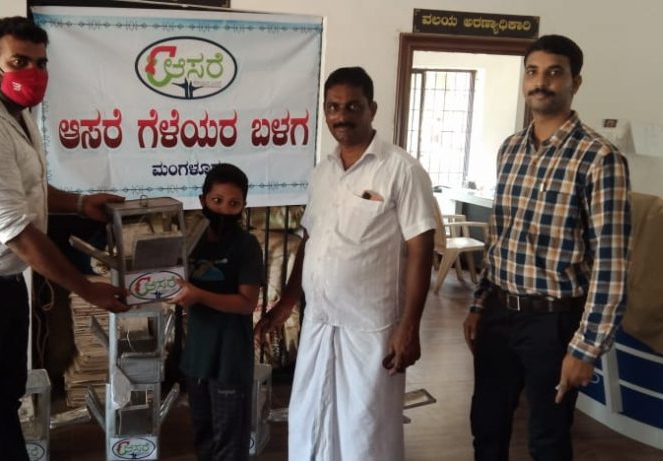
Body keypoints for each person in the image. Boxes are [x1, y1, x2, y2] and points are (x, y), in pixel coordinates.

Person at [0, 16, 128, 461]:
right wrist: (87, 288)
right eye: (19, 62)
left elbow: (26, 190)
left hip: (2, 283)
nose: (32, 72)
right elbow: (16, 231)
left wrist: (79, 203)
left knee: (3, 400)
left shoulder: (17, 115)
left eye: (40, 63)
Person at [254, 66, 440, 460]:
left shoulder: (401, 170)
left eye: (353, 106)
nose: (341, 116)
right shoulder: (322, 173)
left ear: (372, 109)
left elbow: (421, 250)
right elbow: (312, 240)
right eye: (333, 107)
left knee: (365, 430)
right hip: (320, 322)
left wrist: (409, 327)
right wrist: (287, 302)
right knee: (310, 420)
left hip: (371, 328)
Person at [462, 35, 631, 460]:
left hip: (553, 323)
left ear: (576, 82)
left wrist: (585, 349)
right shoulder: (510, 150)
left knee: (548, 439)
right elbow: (499, 236)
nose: (541, 82)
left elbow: (611, 267)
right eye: (533, 72)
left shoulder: (600, 158)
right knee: (487, 426)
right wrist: (480, 303)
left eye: (554, 73)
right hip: (499, 313)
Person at [168, 163, 265, 461]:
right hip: (197, 358)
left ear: (244, 206)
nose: (224, 209)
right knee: (204, 440)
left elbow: (246, 303)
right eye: (217, 201)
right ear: (203, 200)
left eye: (234, 204)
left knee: (229, 445)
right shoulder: (191, 242)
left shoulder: (247, 246)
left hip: (229, 361)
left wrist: (198, 295)